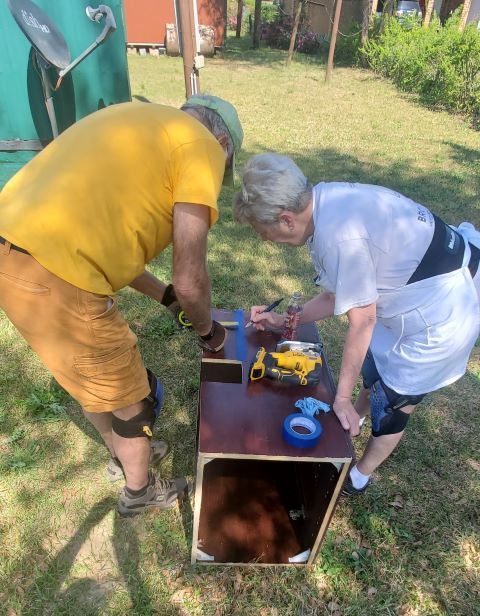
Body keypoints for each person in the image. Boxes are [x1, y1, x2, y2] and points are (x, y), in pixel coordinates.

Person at [0, 94, 243, 515]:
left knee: (93, 381)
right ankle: (139, 491)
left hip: (13, 248)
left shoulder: (138, 120)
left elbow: (108, 241)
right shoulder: (201, 146)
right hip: (60, 272)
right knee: (132, 398)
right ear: (222, 142)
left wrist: (165, 297)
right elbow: (190, 278)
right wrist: (209, 331)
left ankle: (123, 455)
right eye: (225, 166)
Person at [233, 153, 479, 494]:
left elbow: (362, 320)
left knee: (395, 404)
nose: (264, 240)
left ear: (286, 219)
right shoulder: (324, 202)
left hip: (442, 310)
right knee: (375, 370)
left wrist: (342, 397)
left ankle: (360, 475)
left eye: (264, 232)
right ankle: (357, 416)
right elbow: (335, 295)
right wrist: (283, 320)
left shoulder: (339, 237)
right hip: (416, 288)